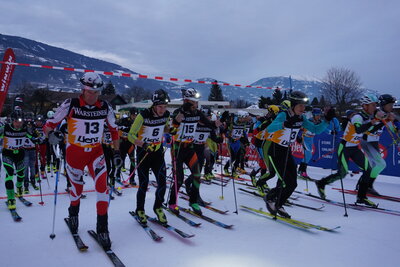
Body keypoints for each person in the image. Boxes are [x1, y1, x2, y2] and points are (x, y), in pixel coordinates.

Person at [43, 72, 121, 249]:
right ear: (83, 89)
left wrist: (117, 152)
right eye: (89, 91)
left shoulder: (106, 107)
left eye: (96, 92)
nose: (93, 95)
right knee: (76, 190)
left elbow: (114, 130)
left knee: (103, 187)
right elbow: (48, 124)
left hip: (96, 153)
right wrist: (51, 134)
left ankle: (103, 228)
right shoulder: (71, 104)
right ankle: (73, 213)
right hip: (75, 153)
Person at [264, 91, 332, 218]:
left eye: (304, 106)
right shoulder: (284, 115)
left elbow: (315, 129)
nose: (303, 109)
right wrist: (284, 124)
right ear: (293, 105)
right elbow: (270, 129)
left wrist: (326, 120)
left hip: (286, 151)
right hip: (275, 150)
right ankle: (271, 198)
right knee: (286, 182)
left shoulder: (302, 118)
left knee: (293, 184)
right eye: (300, 106)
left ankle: (278, 203)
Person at [315, 94, 381, 207]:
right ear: (365, 106)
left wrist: (379, 122)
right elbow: (359, 129)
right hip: (344, 148)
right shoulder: (357, 117)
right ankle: (321, 183)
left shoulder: (368, 118)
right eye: (373, 105)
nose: (375, 108)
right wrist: (374, 121)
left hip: (354, 148)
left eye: (376, 105)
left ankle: (361, 197)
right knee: (342, 173)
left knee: (368, 169)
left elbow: (369, 130)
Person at [168, 88, 222, 215]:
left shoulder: (197, 113)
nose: (196, 105)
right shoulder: (178, 112)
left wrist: (219, 123)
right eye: (193, 102)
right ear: (186, 101)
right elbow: (171, 130)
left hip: (190, 147)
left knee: (197, 175)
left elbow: (210, 124)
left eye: (196, 102)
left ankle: (193, 201)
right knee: (179, 178)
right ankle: (172, 202)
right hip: (178, 148)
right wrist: (178, 118)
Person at [127, 89, 170, 224]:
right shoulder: (143, 115)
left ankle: (158, 207)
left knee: (162, 183)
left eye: (164, 106)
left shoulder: (166, 114)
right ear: (154, 105)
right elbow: (130, 135)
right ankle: (140, 209)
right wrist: (143, 144)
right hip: (143, 153)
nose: (162, 110)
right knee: (144, 184)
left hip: (157, 152)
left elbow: (165, 127)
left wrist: (171, 130)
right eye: (160, 107)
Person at [356, 94, 398, 195]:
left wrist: (396, 127)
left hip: (374, 142)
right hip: (366, 141)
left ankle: (361, 185)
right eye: (390, 104)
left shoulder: (386, 115)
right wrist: (383, 120)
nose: (392, 107)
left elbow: (393, 129)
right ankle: (367, 186)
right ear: (383, 105)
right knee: (381, 164)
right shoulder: (376, 113)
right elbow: (369, 128)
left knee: (372, 165)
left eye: (392, 104)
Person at [1, 110, 38, 210]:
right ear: (12, 120)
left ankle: (19, 187)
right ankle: (11, 198)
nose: (19, 124)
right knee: (9, 174)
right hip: (7, 154)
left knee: (21, 175)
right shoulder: (5, 128)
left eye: (21, 122)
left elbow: (31, 137)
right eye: (17, 121)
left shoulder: (25, 128)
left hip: (20, 154)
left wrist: (38, 139)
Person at [297, 107, 323, 179]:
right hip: (305, 138)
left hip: (311, 139)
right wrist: (298, 136)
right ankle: (303, 172)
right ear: (313, 115)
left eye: (319, 115)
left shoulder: (319, 122)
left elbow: (324, 128)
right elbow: (301, 128)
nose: (319, 116)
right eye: (317, 115)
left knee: (308, 156)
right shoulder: (309, 121)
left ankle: (300, 170)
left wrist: (331, 132)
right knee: (308, 155)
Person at [223, 110, 250, 178]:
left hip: (238, 142)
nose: (244, 119)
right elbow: (226, 133)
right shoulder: (232, 124)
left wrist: (246, 140)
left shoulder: (243, 124)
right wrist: (230, 138)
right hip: (231, 142)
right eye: (243, 118)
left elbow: (244, 132)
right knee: (233, 158)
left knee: (238, 158)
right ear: (239, 117)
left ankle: (233, 171)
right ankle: (226, 168)